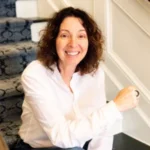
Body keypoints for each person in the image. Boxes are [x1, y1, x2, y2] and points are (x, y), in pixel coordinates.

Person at [16, 7, 139, 150]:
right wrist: (115, 107)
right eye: (64, 35)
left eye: (81, 36)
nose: (73, 43)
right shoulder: (35, 74)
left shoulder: (95, 72)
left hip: (78, 142)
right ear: (53, 40)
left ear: (89, 41)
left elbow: (102, 130)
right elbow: (60, 136)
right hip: (38, 147)